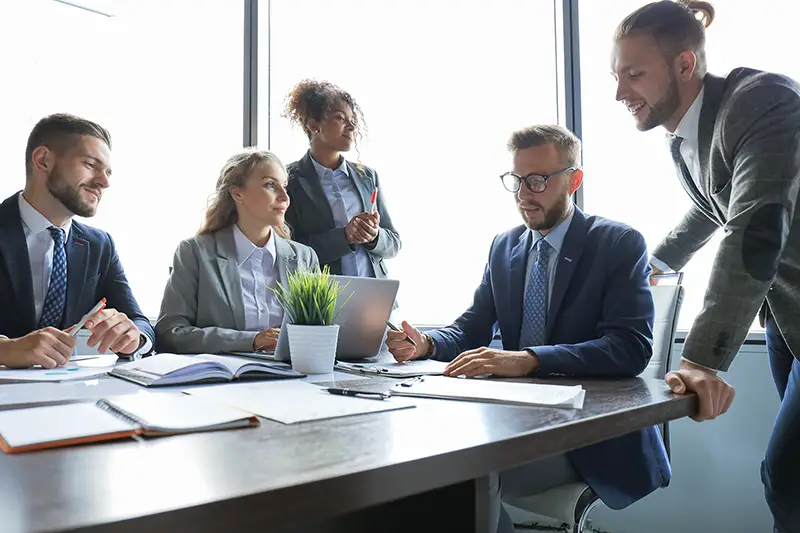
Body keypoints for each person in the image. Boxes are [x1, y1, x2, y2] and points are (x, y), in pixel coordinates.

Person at [385, 125, 668, 533]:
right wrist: (426, 344)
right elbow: (473, 328)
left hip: (585, 439)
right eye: (516, 181)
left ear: (574, 180)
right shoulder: (505, 246)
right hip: (516, 422)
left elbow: (629, 347)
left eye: (537, 181)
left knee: (466, 470)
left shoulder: (618, 243)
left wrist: (529, 360)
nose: (523, 194)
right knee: (423, 462)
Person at [611, 2, 800, 530]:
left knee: (787, 478)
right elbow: (710, 205)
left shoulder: (763, 100)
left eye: (634, 73)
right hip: (786, 316)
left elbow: (755, 226)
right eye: (617, 75)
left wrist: (701, 359)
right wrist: (653, 262)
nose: (620, 92)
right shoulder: (685, 138)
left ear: (685, 65)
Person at [0, 113, 154, 368]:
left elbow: (140, 323)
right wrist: (6, 350)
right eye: (91, 165)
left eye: (107, 172)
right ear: (43, 160)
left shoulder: (99, 245)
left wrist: (133, 338)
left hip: (67, 394)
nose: (104, 182)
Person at [155, 149, 318, 355]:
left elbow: (318, 332)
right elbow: (170, 334)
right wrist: (252, 341)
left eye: (284, 186)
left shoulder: (305, 258)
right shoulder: (195, 253)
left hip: (294, 380)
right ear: (237, 193)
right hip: (222, 380)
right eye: (270, 185)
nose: (285, 197)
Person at [282, 79, 400, 280]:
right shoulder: (288, 179)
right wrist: (344, 236)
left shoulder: (367, 176)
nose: (352, 126)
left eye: (352, 119)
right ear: (313, 125)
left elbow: (394, 243)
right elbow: (288, 251)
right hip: (323, 300)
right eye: (340, 118)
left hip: (375, 295)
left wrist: (374, 236)